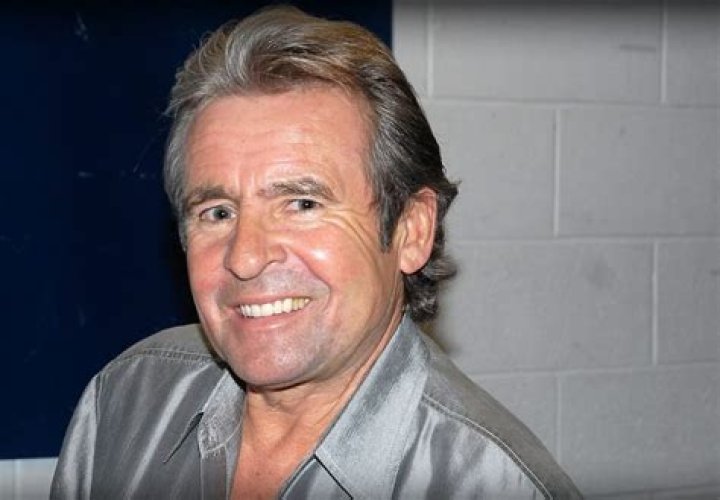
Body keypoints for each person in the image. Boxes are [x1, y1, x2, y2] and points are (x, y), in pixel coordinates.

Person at [51, 6, 582, 499]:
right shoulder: (125, 404)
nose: (246, 258)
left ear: (411, 230)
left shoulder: (492, 483)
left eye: (302, 204)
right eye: (218, 212)